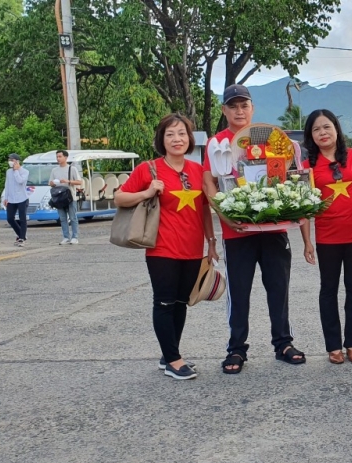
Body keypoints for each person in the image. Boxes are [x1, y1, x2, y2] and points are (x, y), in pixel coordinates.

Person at [201, 84, 306, 375]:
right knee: (240, 292)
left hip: (274, 229)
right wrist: (224, 214)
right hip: (238, 233)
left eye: (244, 105)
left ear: (252, 108)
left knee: (279, 289)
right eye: (233, 106)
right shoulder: (216, 143)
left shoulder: (273, 137)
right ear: (224, 110)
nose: (239, 111)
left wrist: (291, 206)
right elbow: (209, 182)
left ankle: (283, 343)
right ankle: (236, 349)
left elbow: (291, 175)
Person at [115, 113, 218, 380]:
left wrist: (211, 242)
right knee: (164, 302)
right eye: (170, 134)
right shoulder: (149, 169)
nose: (177, 139)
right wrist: (147, 192)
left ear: (190, 138)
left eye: (182, 133)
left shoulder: (198, 171)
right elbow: (119, 197)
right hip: (161, 249)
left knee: (181, 303)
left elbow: (205, 210)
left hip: (192, 249)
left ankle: (169, 354)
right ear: (162, 139)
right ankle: (173, 359)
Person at [299, 109, 352, 365]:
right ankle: (333, 346)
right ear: (311, 135)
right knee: (328, 290)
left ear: (336, 129)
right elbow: (303, 205)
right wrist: (307, 241)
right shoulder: (308, 165)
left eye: (327, 127)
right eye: (316, 129)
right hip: (327, 238)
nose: (323, 133)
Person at [49, 150, 83, 244]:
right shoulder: (54, 170)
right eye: (57, 157)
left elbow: (79, 182)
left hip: (70, 197)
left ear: (66, 157)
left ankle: (75, 237)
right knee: (62, 218)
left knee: (73, 217)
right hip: (58, 197)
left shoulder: (72, 169)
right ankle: (66, 237)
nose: (58, 158)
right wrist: (52, 183)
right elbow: (50, 183)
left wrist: (68, 181)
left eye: (60, 156)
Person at [2, 153, 29, 247]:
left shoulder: (25, 171)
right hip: (11, 199)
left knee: (22, 219)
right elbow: (7, 185)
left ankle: (22, 238)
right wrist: (6, 197)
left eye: (12, 160)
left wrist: (16, 170)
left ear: (17, 161)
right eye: (9, 160)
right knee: (10, 219)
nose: (10, 161)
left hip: (22, 198)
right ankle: (22, 235)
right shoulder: (8, 172)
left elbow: (20, 181)